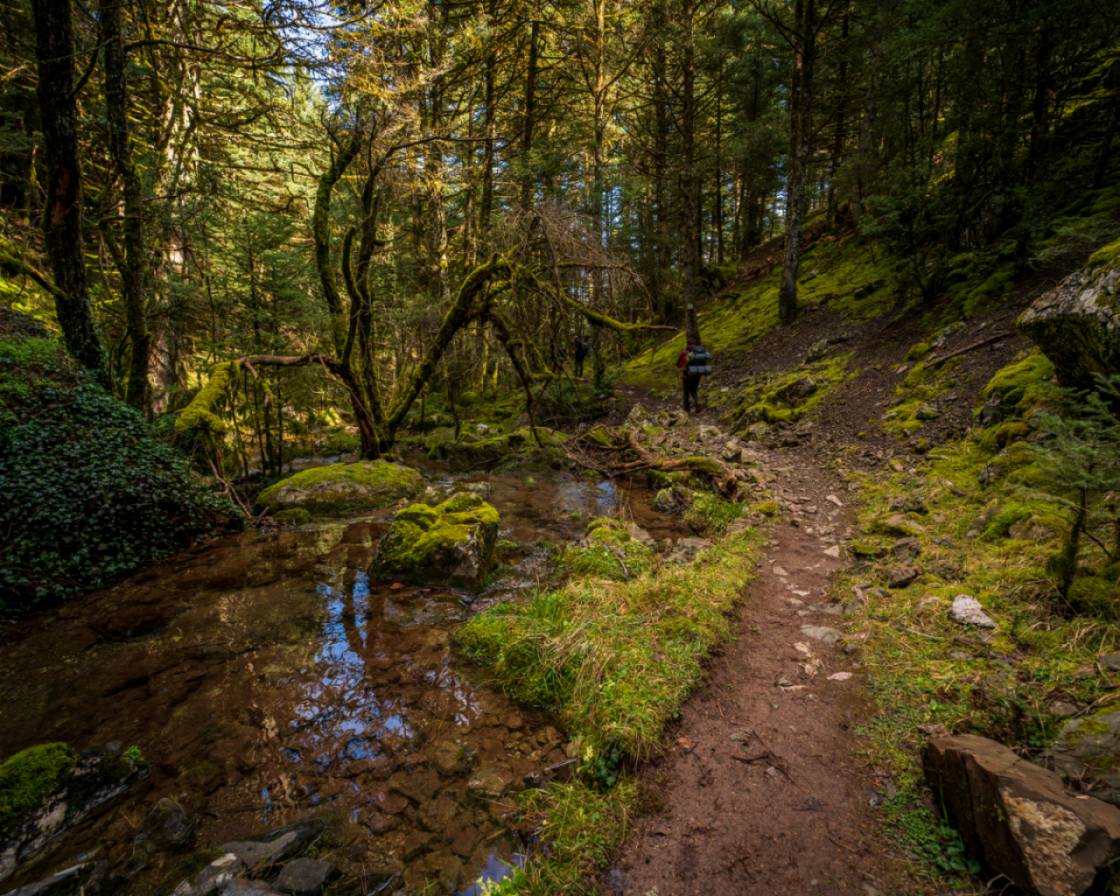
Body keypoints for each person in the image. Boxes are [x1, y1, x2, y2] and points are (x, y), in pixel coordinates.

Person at [677, 341, 703, 413]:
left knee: (686, 393)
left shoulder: (685, 353)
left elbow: (679, 365)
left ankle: (686, 410)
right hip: (698, 375)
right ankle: (697, 403)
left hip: (687, 376)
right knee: (694, 391)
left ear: (687, 345)